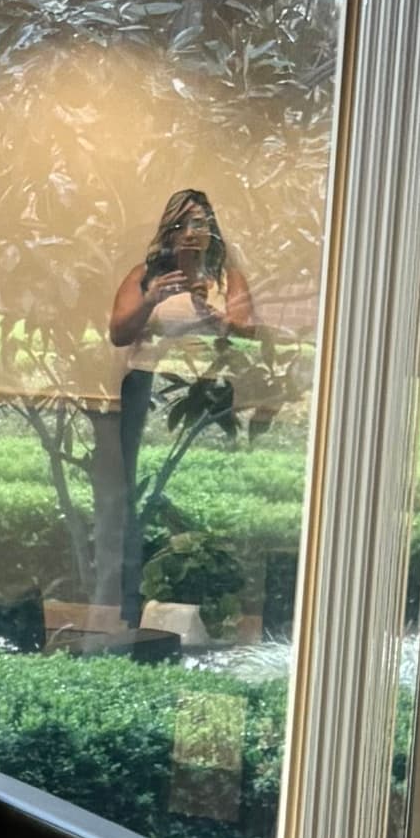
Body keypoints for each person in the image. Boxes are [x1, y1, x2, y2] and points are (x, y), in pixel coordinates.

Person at [98, 188, 257, 625]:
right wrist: (152, 299)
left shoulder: (228, 278)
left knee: (209, 492)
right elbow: (118, 333)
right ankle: (138, 610)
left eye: (201, 224)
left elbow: (249, 334)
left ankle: (208, 608)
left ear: (212, 231)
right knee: (144, 494)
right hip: (149, 391)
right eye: (183, 224)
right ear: (169, 230)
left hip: (210, 393)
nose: (191, 233)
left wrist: (214, 316)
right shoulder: (145, 275)